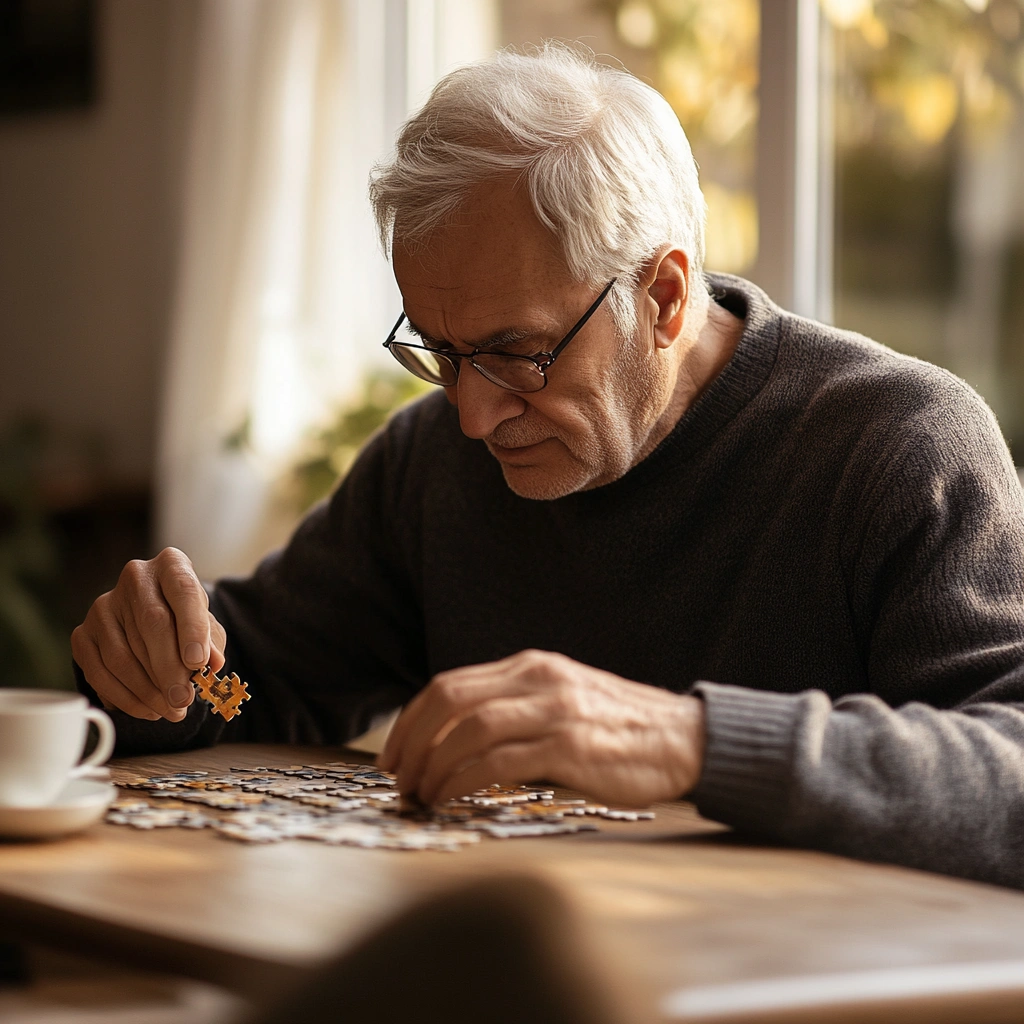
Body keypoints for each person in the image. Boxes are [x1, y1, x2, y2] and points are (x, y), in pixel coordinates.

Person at [73, 44, 1024, 888]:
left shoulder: (899, 444)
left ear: (663, 295)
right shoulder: (429, 464)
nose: (475, 416)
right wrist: (153, 660)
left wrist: (690, 742)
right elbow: (258, 677)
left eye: (517, 351)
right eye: (441, 352)